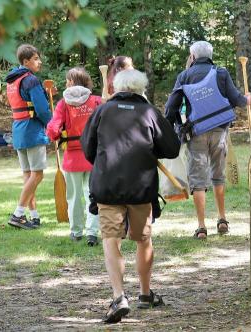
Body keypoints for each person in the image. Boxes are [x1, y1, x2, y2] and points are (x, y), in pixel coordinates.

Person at [81, 69, 180, 323]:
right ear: (140, 89)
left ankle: (118, 296)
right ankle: (145, 294)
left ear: (116, 87)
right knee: (143, 239)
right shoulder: (149, 113)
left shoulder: (102, 111)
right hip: (140, 187)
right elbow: (171, 148)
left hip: (107, 186)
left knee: (111, 239)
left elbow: (87, 149)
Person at [165, 41, 251, 239]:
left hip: (196, 133)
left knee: (198, 180)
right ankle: (222, 219)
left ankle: (201, 227)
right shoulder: (221, 73)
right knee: (218, 175)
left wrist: (170, 128)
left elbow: (171, 107)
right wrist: (247, 98)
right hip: (220, 131)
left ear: (192, 56)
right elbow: (237, 99)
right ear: (210, 55)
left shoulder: (184, 76)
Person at [46, 67, 102, 246]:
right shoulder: (97, 101)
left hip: (72, 157)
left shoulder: (63, 103)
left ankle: (76, 231)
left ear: (72, 82)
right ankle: (92, 232)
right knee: (93, 195)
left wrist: (54, 134)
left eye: (67, 80)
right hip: (93, 156)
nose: (65, 83)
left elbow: (54, 128)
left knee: (74, 196)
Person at [5, 44, 52, 230]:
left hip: (18, 130)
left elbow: (26, 101)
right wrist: (52, 124)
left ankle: (34, 216)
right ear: (26, 61)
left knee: (28, 175)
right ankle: (18, 214)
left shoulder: (13, 79)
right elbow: (41, 109)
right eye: (36, 59)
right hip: (32, 130)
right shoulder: (31, 80)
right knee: (37, 174)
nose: (39, 62)